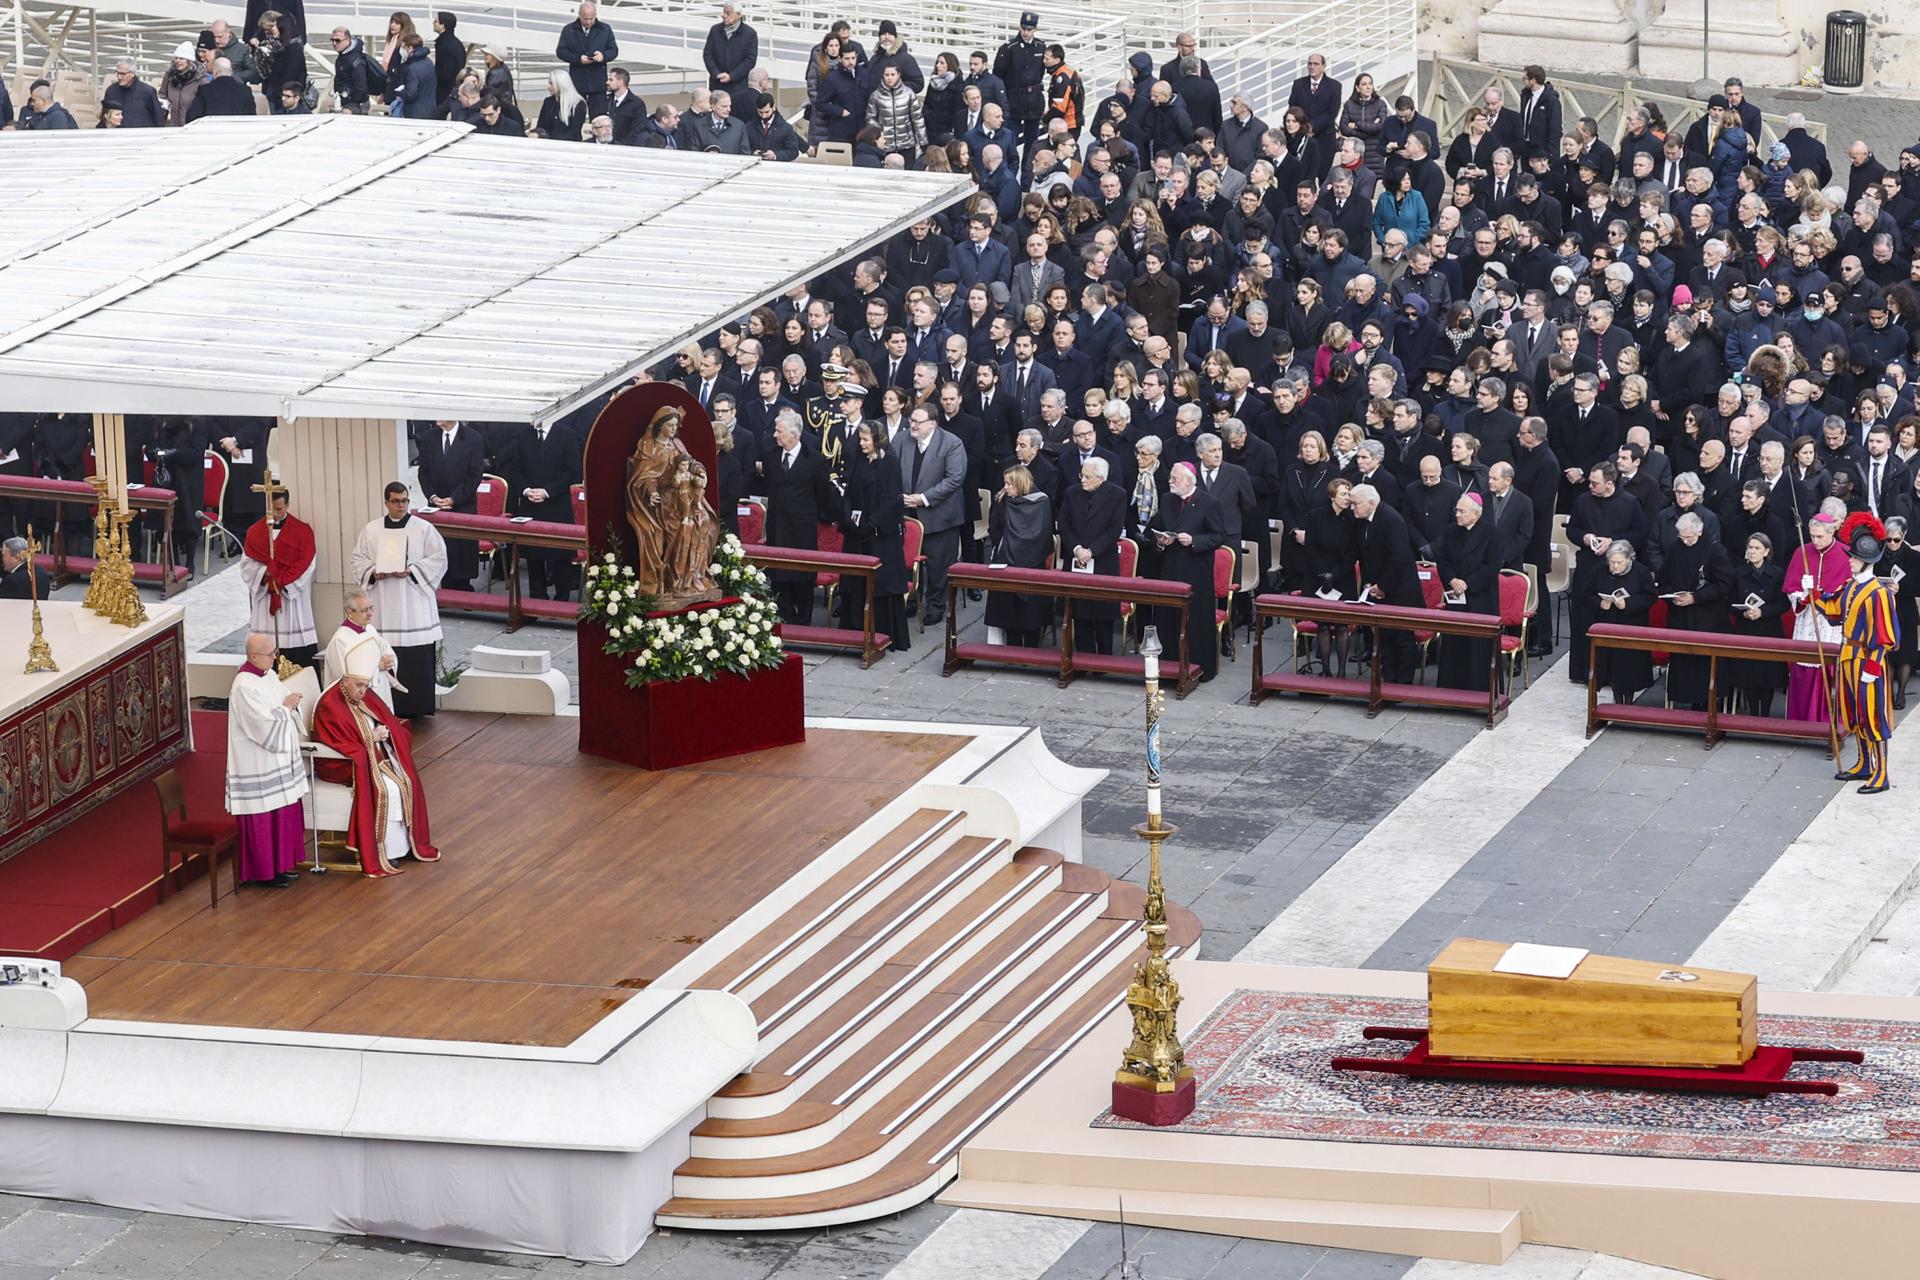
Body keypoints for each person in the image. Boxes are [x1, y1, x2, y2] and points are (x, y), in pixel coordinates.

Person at [311, 632, 442, 874]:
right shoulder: (331, 703)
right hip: (342, 764)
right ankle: (385, 851)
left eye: (366, 685)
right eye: (359, 686)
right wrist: (372, 738)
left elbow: (387, 720)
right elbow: (336, 742)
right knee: (388, 789)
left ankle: (406, 847)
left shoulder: (360, 692)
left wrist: (386, 734)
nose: (364, 691)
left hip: (373, 756)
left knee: (407, 780)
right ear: (346, 679)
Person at [1814, 513, 1900, 792]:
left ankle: (1881, 773)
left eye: (1853, 557)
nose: (1849, 560)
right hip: (1848, 658)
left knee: (1874, 718)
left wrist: (1872, 670)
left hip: (1867, 663)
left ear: (1865, 560)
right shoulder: (1850, 586)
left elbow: (1887, 638)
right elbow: (1834, 612)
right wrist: (1813, 595)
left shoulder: (1880, 593)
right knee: (1855, 715)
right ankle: (1864, 764)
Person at [347, 482, 448, 717]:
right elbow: (357, 559)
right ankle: (386, 707)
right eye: (395, 501)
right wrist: (373, 571)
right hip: (382, 602)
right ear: (386, 502)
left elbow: (439, 558)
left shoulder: (423, 528)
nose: (401, 505)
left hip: (413, 604)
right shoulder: (371, 530)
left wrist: (412, 570)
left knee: (415, 659)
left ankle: (417, 708)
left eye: (404, 501)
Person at [224, 634, 309, 890]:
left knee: (282, 811)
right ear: (253, 657)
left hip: (277, 760)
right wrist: (285, 708)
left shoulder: (268, 675)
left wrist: (291, 703)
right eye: (270, 654)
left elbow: (284, 700)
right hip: (257, 761)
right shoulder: (244, 686)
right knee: (264, 816)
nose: (275, 657)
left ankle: (281, 866)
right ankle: (263, 873)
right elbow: (261, 726)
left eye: (274, 652)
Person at [1148, 461, 1226, 682]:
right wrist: (1161, 541)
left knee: (1196, 622)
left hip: (1196, 571)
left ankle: (1200, 668)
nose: (1170, 481)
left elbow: (1218, 535)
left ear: (1189, 480)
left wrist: (1194, 540)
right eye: (1171, 477)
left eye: (1175, 478)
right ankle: (1170, 667)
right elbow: (1156, 528)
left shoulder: (1209, 502)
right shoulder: (1167, 499)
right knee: (1169, 619)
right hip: (1170, 569)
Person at [838, 420, 910, 648]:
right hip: (856, 532)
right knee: (855, 580)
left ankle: (883, 632)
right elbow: (848, 490)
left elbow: (891, 499)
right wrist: (848, 516)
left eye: (866, 439)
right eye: (860, 439)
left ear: (877, 440)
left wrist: (872, 522)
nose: (861, 444)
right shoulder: (859, 460)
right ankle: (853, 629)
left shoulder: (889, 462)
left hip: (880, 534)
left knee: (880, 584)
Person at [764, 408, 840, 622]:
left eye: (779, 431)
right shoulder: (771, 456)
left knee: (802, 577)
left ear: (793, 434)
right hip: (778, 528)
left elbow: (823, 493)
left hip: (801, 530)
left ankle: (803, 622)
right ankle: (784, 620)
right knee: (779, 577)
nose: (774, 435)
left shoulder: (814, 460)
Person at [1656, 511, 1734, 709]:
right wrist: (1671, 596)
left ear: (1699, 532)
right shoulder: (1675, 548)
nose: (1685, 540)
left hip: (1708, 620)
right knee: (1684, 664)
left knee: (1706, 666)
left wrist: (1696, 597)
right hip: (1681, 617)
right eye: (1681, 536)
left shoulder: (1714, 550)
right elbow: (1663, 579)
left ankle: (1708, 706)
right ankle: (1687, 704)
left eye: (1688, 537)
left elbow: (1724, 584)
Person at [898, 405, 968, 625]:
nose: (913, 425)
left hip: (940, 517)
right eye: (911, 420)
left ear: (932, 423)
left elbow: (954, 478)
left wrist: (924, 498)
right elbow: (890, 469)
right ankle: (911, 601)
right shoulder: (901, 440)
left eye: (918, 422)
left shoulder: (951, 443)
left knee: (938, 566)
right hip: (908, 514)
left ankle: (936, 605)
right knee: (907, 561)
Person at [240, 485, 319, 671]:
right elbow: (247, 564)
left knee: (296, 652)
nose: (275, 514)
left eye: (279, 509)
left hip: (290, 597)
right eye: (271, 509)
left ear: (287, 505)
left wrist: (281, 582)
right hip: (266, 594)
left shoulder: (301, 530)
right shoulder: (255, 531)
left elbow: (307, 564)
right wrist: (266, 575)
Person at [1784, 508, 1851, 722]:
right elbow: (1791, 590)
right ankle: (1801, 720)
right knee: (1804, 664)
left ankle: (1827, 719)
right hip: (1806, 621)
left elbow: (1848, 592)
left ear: (1832, 533)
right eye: (1812, 536)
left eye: (1820, 536)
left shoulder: (1845, 554)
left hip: (1830, 624)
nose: (1815, 540)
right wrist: (1802, 595)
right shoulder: (1801, 552)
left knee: (1829, 667)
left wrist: (1824, 596)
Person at [1436, 490, 1502, 691]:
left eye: (1462, 511)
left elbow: (1492, 565)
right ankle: (1451, 688)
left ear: (1476, 514)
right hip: (1456, 597)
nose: (1457, 514)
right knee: (1454, 645)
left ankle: (1480, 690)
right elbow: (1442, 559)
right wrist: (1452, 580)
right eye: (1456, 510)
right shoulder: (1449, 531)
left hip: (1480, 598)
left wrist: (1468, 583)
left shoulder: (1492, 533)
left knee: (1478, 647)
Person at [1058, 456, 1125, 654]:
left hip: (1103, 561)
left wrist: (1092, 551)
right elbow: (1064, 524)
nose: (1083, 480)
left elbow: (1114, 529)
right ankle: (1083, 656)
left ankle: (1103, 658)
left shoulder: (1117, 495)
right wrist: (1077, 548)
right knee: (1079, 611)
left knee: (1102, 611)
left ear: (1101, 478)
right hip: (1076, 559)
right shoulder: (1071, 493)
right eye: (1081, 475)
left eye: (1088, 477)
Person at [512, 420, 583, 601]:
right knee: (533, 555)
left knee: (560, 555)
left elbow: (572, 472)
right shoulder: (522, 435)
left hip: (557, 504)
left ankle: (562, 598)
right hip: (530, 502)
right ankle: (537, 597)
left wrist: (547, 492)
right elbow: (515, 469)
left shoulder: (567, 435)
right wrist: (526, 490)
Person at [984, 463, 1053, 646]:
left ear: (1021, 483)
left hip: (1033, 562)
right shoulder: (1001, 500)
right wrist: (1007, 546)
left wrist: (1024, 551)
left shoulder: (1041, 501)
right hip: (1006, 560)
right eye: (1005, 483)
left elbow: (1044, 534)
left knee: (1031, 612)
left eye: (1009, 483)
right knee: (1008, 611)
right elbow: (995, 527)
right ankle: (1012, 647)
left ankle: (1032, 647)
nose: (1005, 487)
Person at [417, 419, 484, 591]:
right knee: (440, 549)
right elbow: (423, 471)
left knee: (462, 552)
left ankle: (464, 590)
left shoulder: (473, 438)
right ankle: (444, 589)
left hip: (463, 504)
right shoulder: (427, 438)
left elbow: (475, 475)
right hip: (436, 505)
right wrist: (432, 496)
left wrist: (454, 498)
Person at [1728, 532, 1789, 716]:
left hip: (1769, 629)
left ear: (1766, 551)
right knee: (1749, 675)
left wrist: (1763, 612)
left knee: (1767, 675)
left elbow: (1784, 603)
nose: (1752, 551)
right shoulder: (1738, 573)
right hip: (1746, 628)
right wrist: (1744, 612)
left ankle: (1765, 714)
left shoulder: (1777, 573)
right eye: (1750, 547)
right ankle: (1753, 714)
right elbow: (1729, 601)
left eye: (1757, 548)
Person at [1593, 540, 1656, 702]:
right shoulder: (1600, 571)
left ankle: (1628, 702)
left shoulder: (1641, 572)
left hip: (1633, 625)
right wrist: (1600, 603)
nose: (1614, 566)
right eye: (1611, 562)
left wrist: (1628, 604)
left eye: (1619, 563)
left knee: (1630, 669)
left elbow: (1650, 597)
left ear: (1629, 559)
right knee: (1611, 667)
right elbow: (1586, 594)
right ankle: (1617, 700)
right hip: (1609, 624)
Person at [324, 587, 398, 705]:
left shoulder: (370, 629)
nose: (370, 614)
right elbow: (345, 678)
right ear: (349, 612)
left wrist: (388, 660)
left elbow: (386, 650)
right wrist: (377, 666)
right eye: (364, 610)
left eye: (371, 608)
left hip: (380, 692)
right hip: (356, 702)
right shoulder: (340, 640)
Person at [556, 0, 618, 116]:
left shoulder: (605, 29)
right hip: (577, 81)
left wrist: (603, 56)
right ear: (579, 15)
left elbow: (614, 50)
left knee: (600, 116)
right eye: (585, 18)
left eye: (591, 18)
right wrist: (578, 59)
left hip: (598, 82)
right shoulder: (569, 30)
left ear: (595, 15)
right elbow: (561, 51)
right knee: (575, 116)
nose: (588, 22)